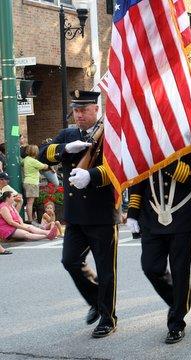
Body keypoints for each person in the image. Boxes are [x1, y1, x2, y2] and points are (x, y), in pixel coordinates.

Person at [39, 90, 119, 338]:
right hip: (75, 215)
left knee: (106, 270)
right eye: (76, 110)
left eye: (84, 110)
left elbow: (118, 168)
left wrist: (92, 176)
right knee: (70, 260)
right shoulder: (69, 134)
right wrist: (65, 148)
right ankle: (97, 300)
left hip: (102, 213)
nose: (79, 114)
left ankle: (108, 317)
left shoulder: (110, 134)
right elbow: (42, 152)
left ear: (96, 109)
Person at [126, 150, 191, 344]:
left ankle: (176, 322)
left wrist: (164, 161)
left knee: (180, 271)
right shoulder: (145, 143)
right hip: (151, 216)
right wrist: (133, 211)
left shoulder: (189, 142)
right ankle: (179, 302)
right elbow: (138, 177)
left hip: (182, 215)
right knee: (151, 267)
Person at [21, 145, 49, 224]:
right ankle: (30, 220)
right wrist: (47, 165)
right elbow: (44, 166)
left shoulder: (26, 159)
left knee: (29, 202)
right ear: (36, 152)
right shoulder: (34, 161)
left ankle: (31, 217)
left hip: (26, 181)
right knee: (30, 203)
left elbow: (21, 163)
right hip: (32, 183)